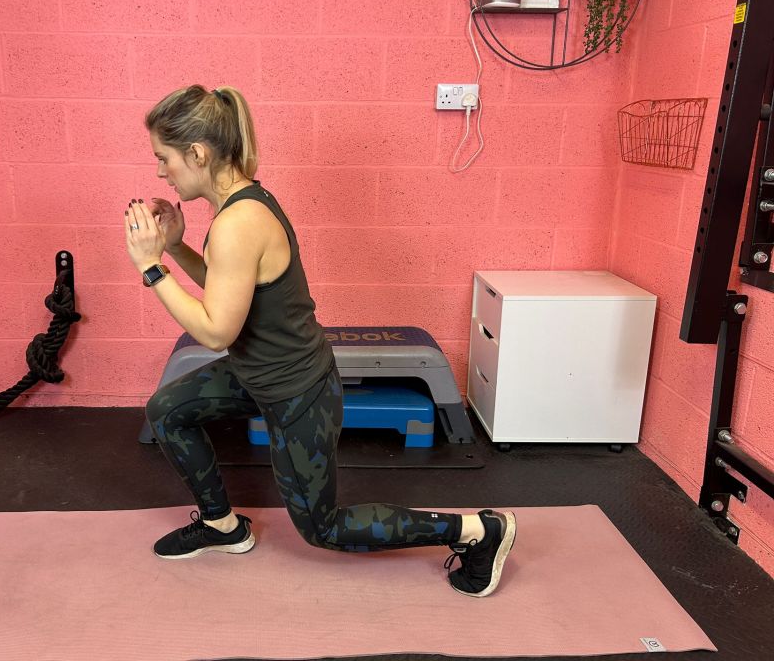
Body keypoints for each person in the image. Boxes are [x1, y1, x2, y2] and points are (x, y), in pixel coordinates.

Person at [125, 84, 516, 597]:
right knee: (168, 409)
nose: (160, 172)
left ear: (197, 153)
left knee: (323, 527)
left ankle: (478, 531)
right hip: (256, 375)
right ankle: (223, 527)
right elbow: (230, 293)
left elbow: (216, 330)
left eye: (164, 158)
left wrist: (151, 267)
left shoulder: (239, 222)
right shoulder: (241, 205)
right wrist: (175, 247)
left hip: (296, 392)